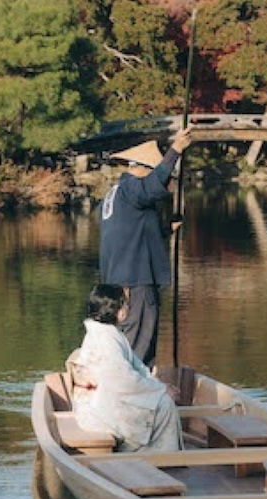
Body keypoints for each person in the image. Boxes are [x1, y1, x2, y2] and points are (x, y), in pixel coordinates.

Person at [99, 126, 195, 368]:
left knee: (130, 342)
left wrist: (164, 230)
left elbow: (129, 234)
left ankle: (135, 390)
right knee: (139, 344)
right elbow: (151, 186)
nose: (167, 182)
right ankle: (132, 394)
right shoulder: (133, 187)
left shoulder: (114, 195)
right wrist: (175, 151)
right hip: (135, 281)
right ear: (143, 169)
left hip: (119, 281)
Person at [66, 284, 184, 454]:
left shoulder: (109, 333)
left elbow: (138, 368)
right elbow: (125, 381)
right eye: (125, 304)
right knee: (164, 404)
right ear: (117, 310)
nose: (128, 308)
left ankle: (155, 453)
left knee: (162, 399)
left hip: (107, 397)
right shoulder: (105, 338)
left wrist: (159, 386)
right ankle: (156, 456)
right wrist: (160, 391)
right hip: (99, 408)